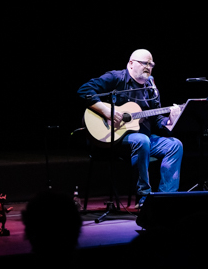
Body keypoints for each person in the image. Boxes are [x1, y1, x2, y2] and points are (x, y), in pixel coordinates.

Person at [77, 49, 183, 207]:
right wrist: (107, 111)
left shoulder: (151, 89)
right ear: (131, 64)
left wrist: (170, 120)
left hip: (143, 140)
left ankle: (164, 198)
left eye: (151, 64)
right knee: (142, 140)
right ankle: (145, 197)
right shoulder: (116, 78)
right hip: (114, 139)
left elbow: (157, 119)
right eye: (144, 63)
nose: (148, 66)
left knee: (175, 145)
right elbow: (84, 90)